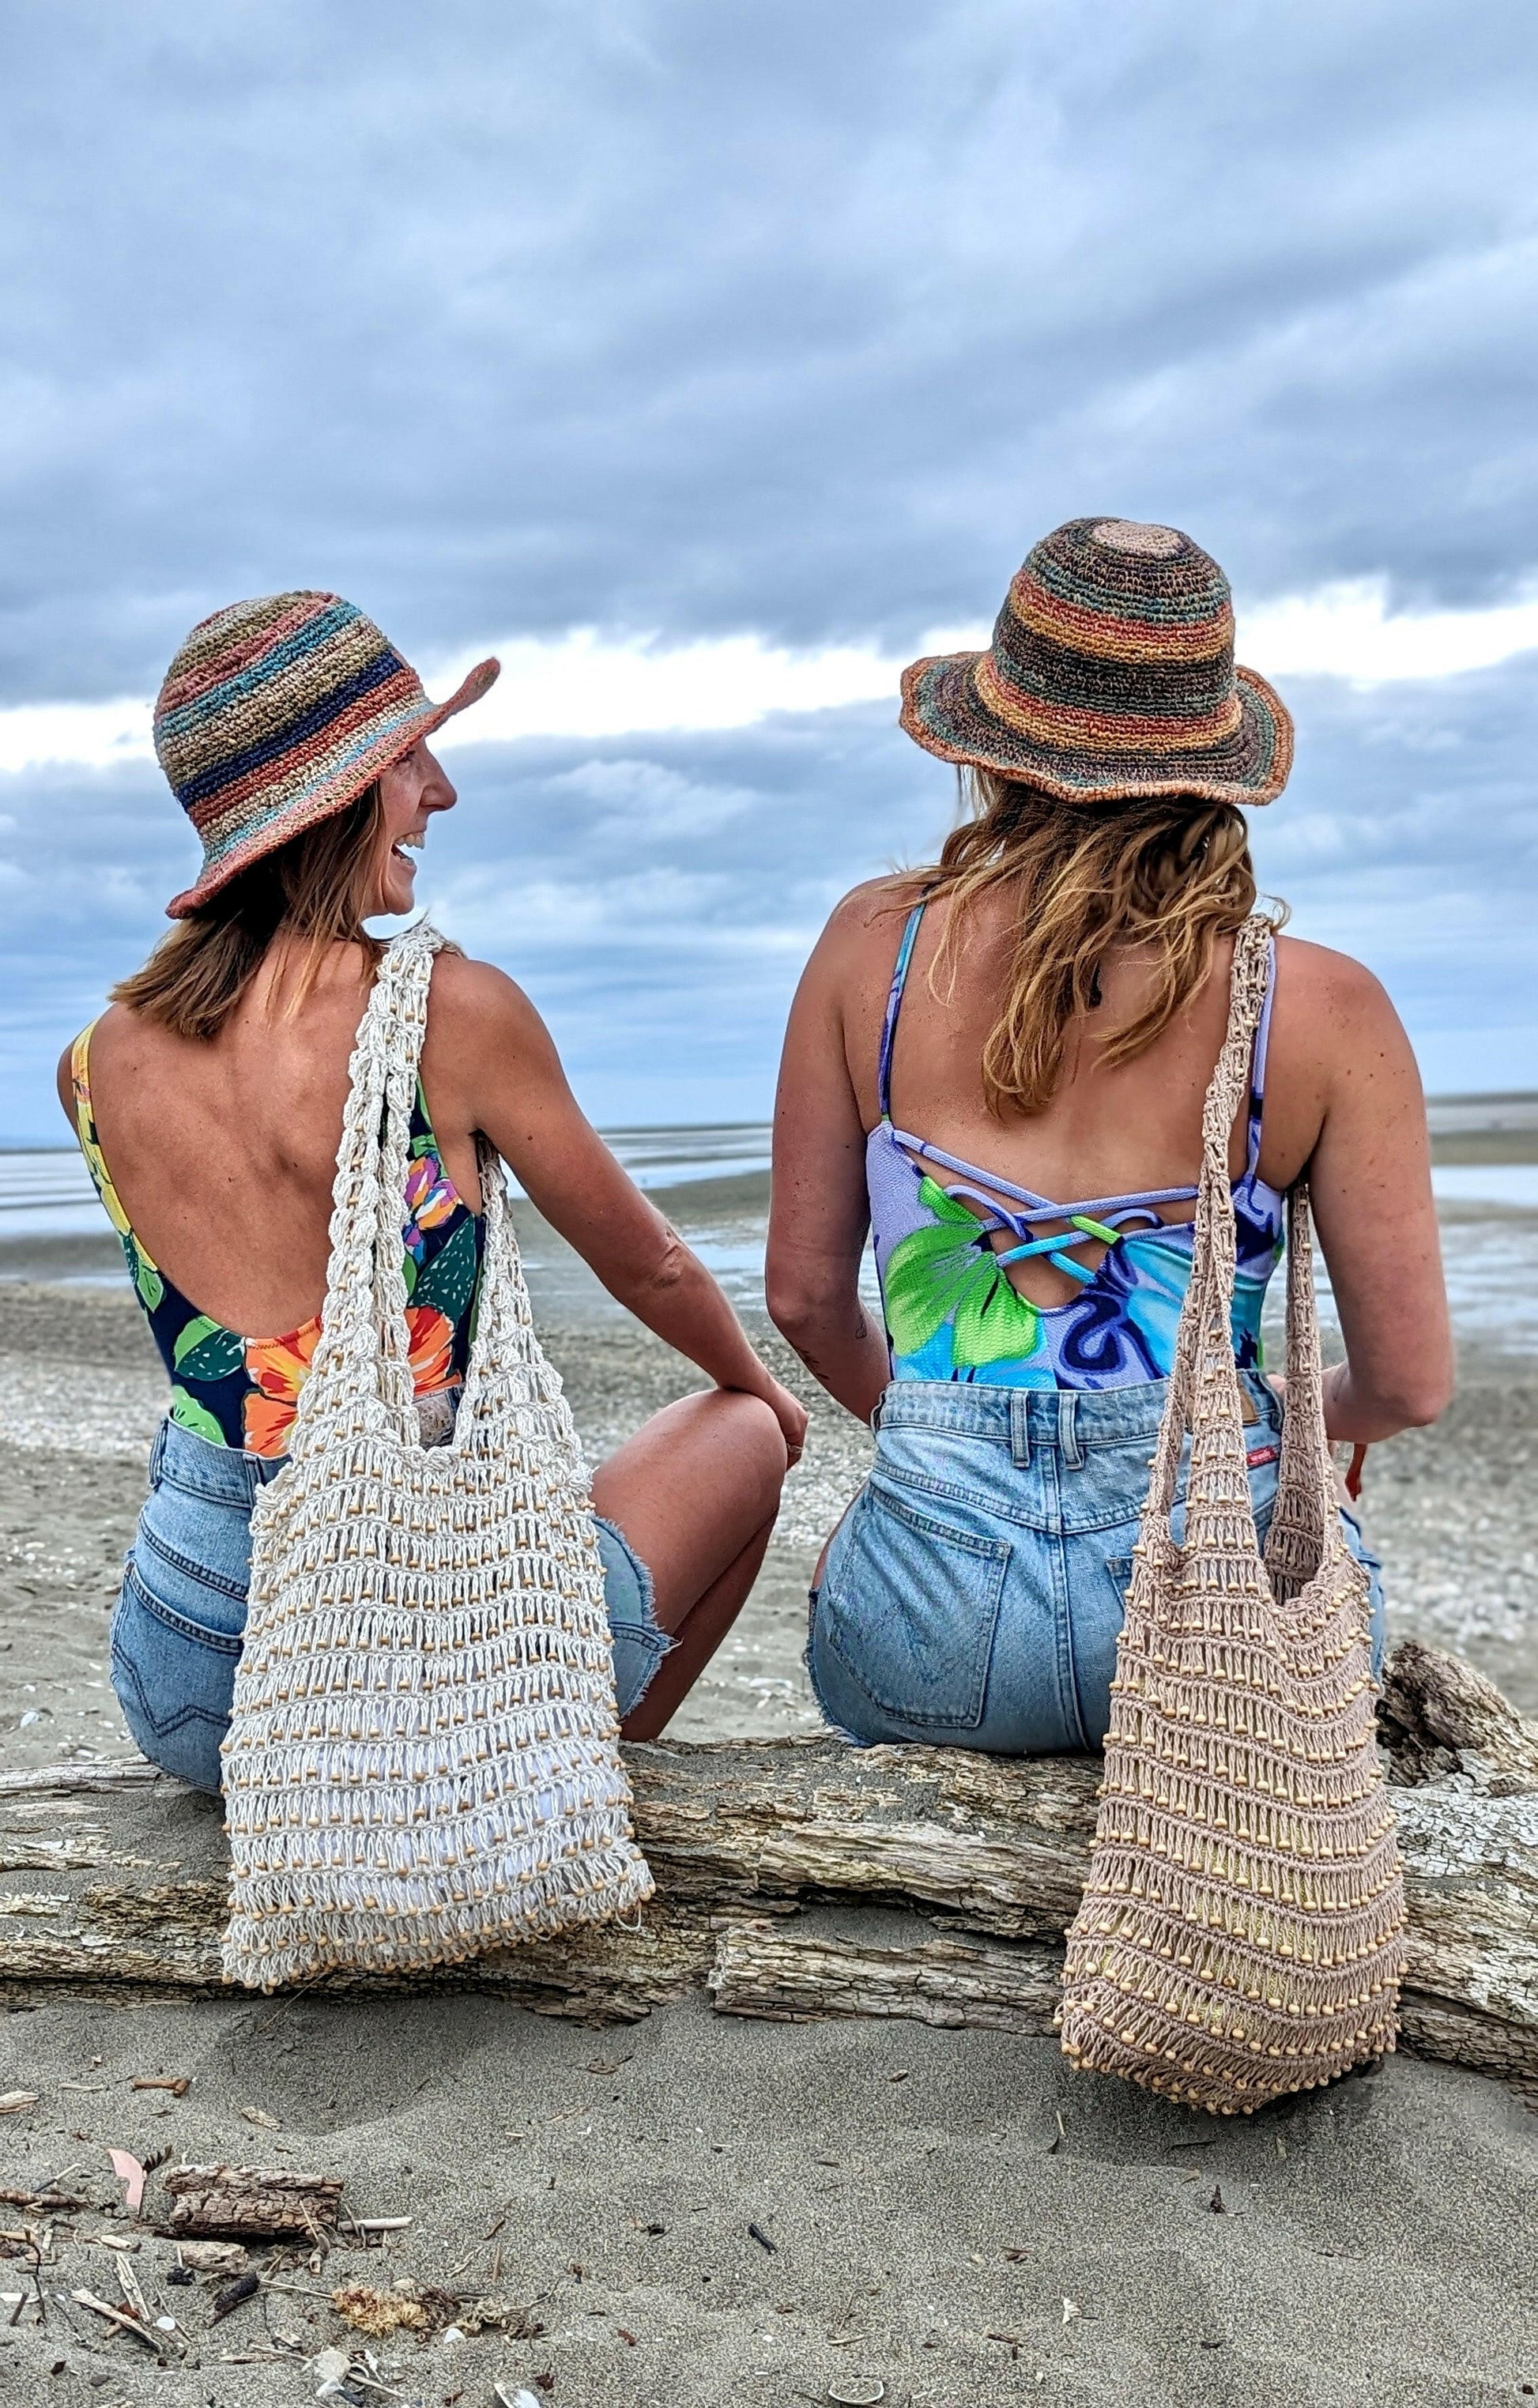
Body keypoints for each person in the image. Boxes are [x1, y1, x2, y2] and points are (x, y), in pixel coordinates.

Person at [64, 590, 805, 1788]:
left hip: (194, 1675)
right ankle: (566, 1777)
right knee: (747, 1434)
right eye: (410, 758)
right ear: (337, 791)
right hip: (417, 1645)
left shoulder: (93, 1063)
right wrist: (763, 1385)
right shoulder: (447, 1012)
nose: (441, 791)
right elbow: (653, 1263)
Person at [767, 517, 1452, 1754]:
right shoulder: (1318, 1006)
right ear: (1209, 760)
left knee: (856, 1573)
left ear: (994, 745)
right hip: (1220, 1643)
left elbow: (806, 1300)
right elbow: (1407, 1383)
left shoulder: (873, 948)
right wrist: (1302, 1408)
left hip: (927, 1628)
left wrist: (944, 1451)